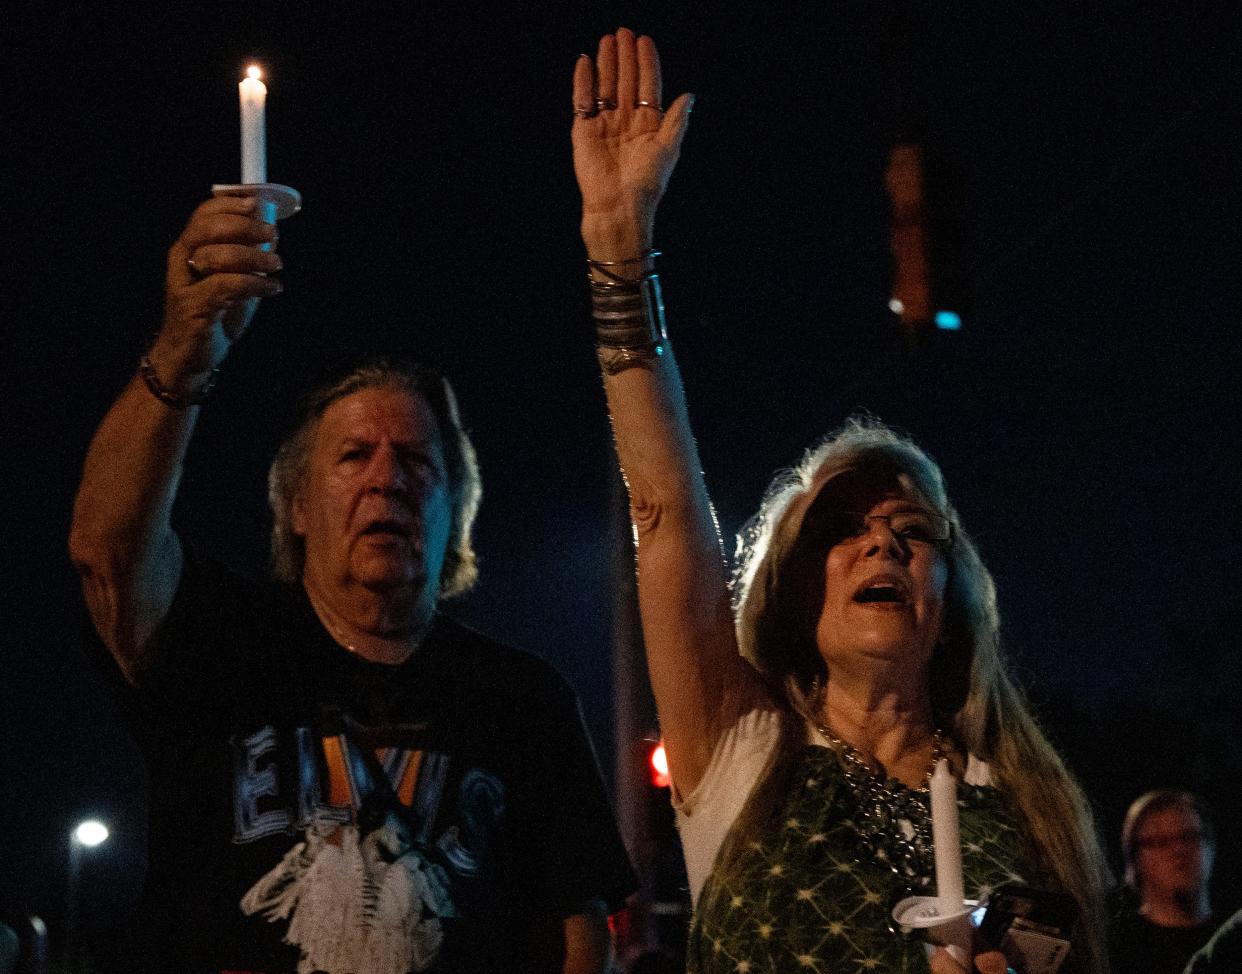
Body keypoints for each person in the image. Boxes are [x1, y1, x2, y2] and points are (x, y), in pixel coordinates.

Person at [569, 28, 1110, 974]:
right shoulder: (739, 749)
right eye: (845, 531)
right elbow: (661, 512)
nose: (883, 548)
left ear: (953, 602)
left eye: (912, 534)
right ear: (790, 586)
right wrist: (621, 253)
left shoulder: (1029, 809)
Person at [68, 194, 635, 973]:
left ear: (454, 510)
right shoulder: (220, 641)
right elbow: (107, 549)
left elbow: (577, 937)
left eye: (416, 462)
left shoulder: (524, 701)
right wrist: (184, 349)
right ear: (295, 505)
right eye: (352, 456)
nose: (386, 480)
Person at [1109, 790, 1216, 974]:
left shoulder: (1233, 937)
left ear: (1210, 846)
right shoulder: (1116, 945)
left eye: (1188, 836)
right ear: (1135, 858)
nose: (1178, 850)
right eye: (1161, 841)